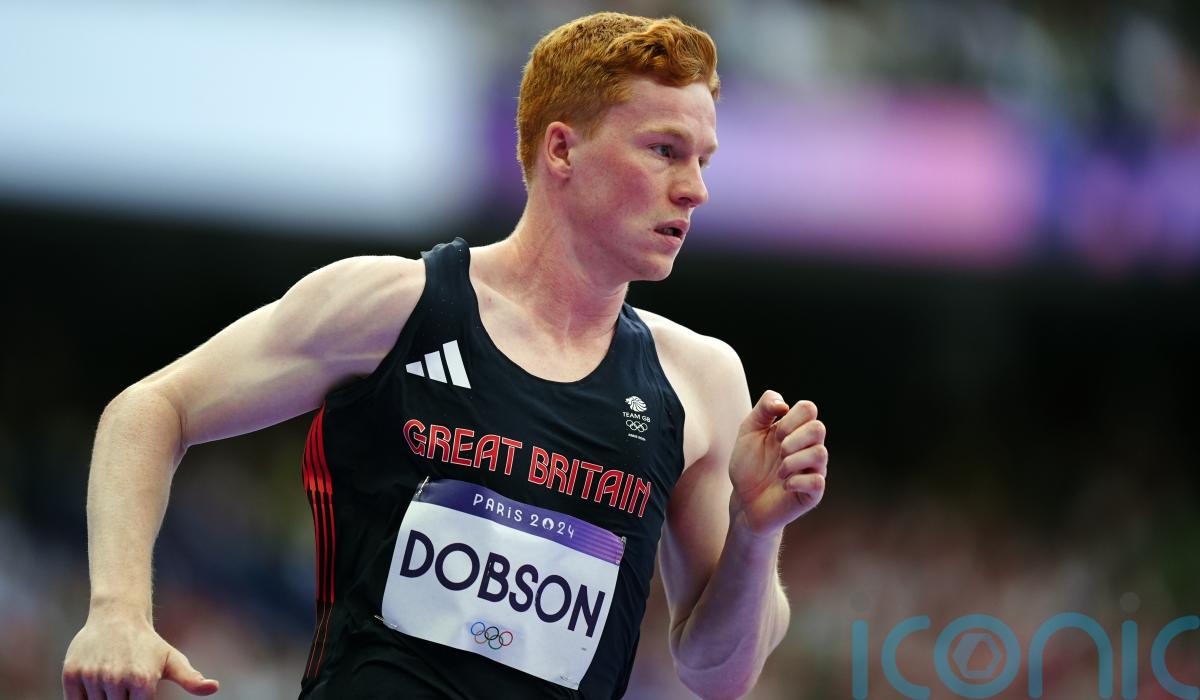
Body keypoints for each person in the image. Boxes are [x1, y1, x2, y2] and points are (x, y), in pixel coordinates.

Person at [62, 11, 828, 700]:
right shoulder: (394, 308)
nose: (694, 190)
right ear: (562, 149)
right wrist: (117, 611)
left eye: (703, 160)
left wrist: (755, 531)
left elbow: (718, 675)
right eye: (664, 151)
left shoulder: (697, 380)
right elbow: (151, 407)